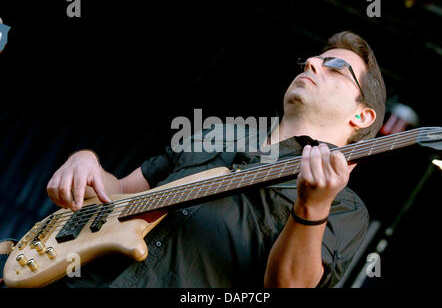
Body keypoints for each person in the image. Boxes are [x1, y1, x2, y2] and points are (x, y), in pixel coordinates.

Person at [45, 31, 386, 288]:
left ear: (362, 116)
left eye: (336, 68)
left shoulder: (343, 207)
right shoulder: (217, 134)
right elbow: (118, 192)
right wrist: (85, 160)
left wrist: (312, 209)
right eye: (314, 59)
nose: (313, 63)